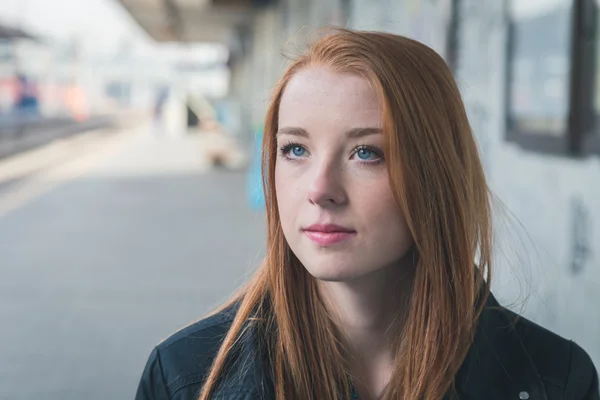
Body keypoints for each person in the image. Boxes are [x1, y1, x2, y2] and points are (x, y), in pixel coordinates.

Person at [135, 28, 599, 400]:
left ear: (436, 174)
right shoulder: (185, 378)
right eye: (295, 149)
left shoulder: (556, 379)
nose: (320, 190)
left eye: (366, 153)